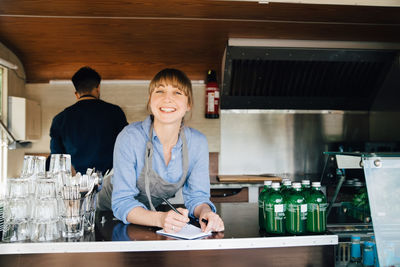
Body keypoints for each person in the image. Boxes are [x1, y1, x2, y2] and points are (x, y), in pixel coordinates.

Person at [111, 68, 224, 233]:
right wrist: (160, 218)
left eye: (177, 92)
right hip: (110, 217)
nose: (167, 98)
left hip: (147, 220)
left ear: (188, 104)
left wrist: (206, 213)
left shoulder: (197, 142)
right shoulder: (129, 137)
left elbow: (197, 196)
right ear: (150, 101)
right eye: (160, 91)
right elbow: (122, 202)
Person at [49, 66, 128, 175]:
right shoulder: (115, 112)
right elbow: (127, 147)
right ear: (98, 88)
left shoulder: (60, 119)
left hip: (77, 184)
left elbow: (57, 158)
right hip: (111, 182)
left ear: (76, 94)